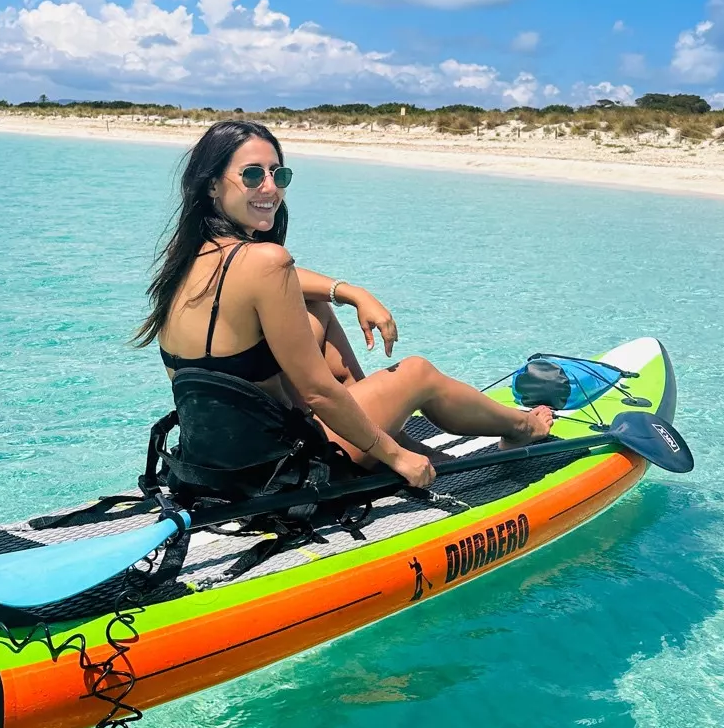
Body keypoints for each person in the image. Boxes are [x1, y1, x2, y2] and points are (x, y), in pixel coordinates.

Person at [136, 119, 555, 490]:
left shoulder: (184, 262)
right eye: (250, 175)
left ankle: (383, 431)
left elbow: (284, 284)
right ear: (212, 184)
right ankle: (522, 427)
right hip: (283, 474)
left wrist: (350, 291)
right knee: (417, 372)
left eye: (278, 174)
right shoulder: (266, 262)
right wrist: (398, 459)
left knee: (317, 308)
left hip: (213, 466)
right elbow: (318, 393)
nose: (270, 188)